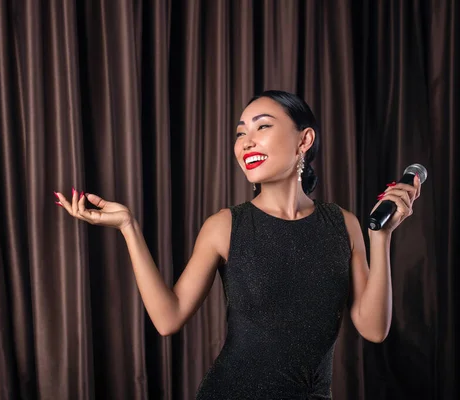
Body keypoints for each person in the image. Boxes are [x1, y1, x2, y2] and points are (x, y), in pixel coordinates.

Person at [54, 90, 421, 399]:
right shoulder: (226, 226)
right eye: (240, 132)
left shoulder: (345, 224)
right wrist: (129, 228)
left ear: (304, 140)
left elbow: (373, 329)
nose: (246, 142)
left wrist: (381, 237)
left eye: (263, 126)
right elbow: (168, 319)